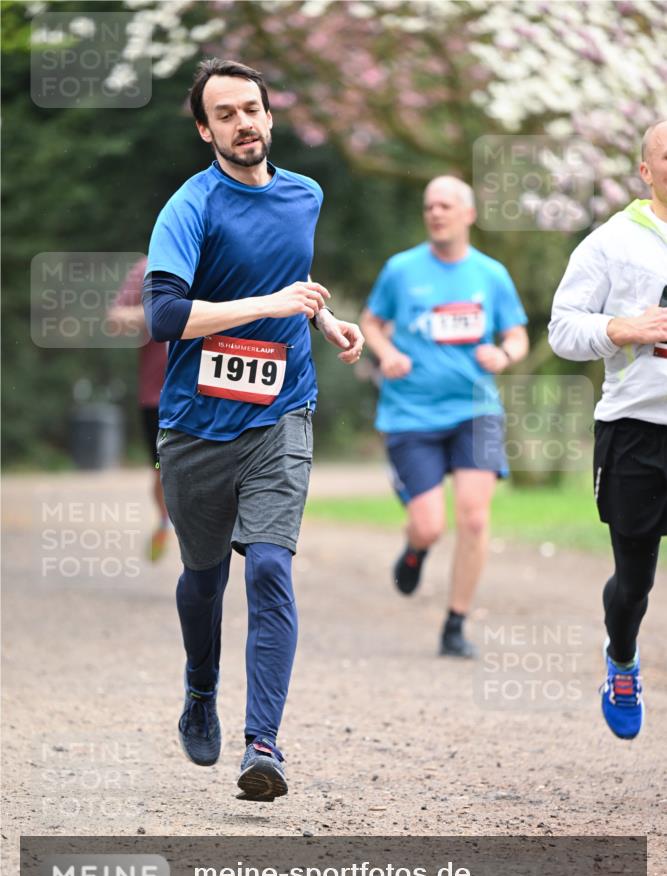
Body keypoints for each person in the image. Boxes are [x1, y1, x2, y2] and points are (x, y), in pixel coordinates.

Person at [142, 59, 363, 801]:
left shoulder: (306, 194)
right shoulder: (189, 206)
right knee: (204, 579)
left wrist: (323, 318)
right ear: (205, 130)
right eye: (225, 114)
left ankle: (261, 744)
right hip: (196, 426)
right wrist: (267, 302)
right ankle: (199, 688)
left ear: (269, 117)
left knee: (269, 566)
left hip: (281, 412)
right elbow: (166, 316)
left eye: (252, 109)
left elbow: (286, 277)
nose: (244, 123)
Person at [360, 176, 528, 658]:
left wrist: (504, 355)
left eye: (446, 205)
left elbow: (516, 334)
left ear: (468, 214)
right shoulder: (401, 269)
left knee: (474, 520)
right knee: (430, 525)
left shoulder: (491, 274)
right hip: (410, 412)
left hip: (475, 411)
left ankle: (455, 624)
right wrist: (387, 352)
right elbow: (372, 322)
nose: (435, 213)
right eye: (429, 206)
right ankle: (415, 549)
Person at [549, 119, 667, 741]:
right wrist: (621, 329)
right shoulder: (612, 242)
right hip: (636, 431)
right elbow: (562, 330)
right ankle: (621, 657)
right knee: (636, 580)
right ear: (646, 171)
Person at [107, 255, 170, 561]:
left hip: (206, 393)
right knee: (161, 468)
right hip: (157, 397)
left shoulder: (216, 260)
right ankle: (165, 520)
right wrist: (163, 314)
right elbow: (116, 319)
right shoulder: (148, 269)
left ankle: (199, 532)